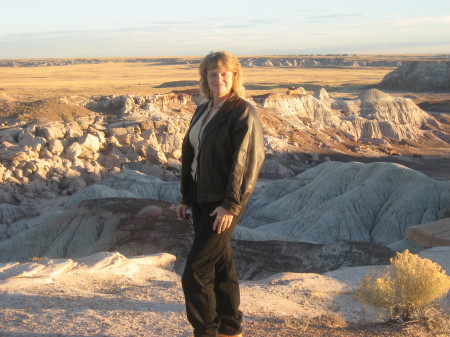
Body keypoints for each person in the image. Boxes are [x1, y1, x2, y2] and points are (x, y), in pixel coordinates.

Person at [177, 51, 265, 337]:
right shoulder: (202, 110)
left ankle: (206, 331)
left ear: (235, 76)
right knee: (221, 268)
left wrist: (231, 205)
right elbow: (193, 156)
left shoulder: (242, 111)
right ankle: (231, 329)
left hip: (222, 203)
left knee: (195, 273)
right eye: (212, 74)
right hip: (201, 199)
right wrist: (185, 198)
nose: (218, 78)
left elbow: (248, 161)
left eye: (225, 73)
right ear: (205, 78)